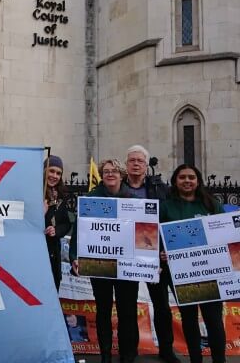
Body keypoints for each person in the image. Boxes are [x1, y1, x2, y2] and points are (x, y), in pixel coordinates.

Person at [70, 159, 138, 363]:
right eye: (106, 171)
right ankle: (106, 354)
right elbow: (79, 232)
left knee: (128, 310)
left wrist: (151, 262)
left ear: (122, 175)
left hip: (127, 265)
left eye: (114, 171)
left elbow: (145, 234)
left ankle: (127, 355)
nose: (110, 174)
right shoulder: (90, 199)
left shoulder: (133, 200)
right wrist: (75, 256)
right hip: (99, 263)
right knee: (103, 310)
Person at [161, 164, 226, 363]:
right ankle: (195, 360)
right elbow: (155, 237)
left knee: (214, 320)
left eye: (191, 177)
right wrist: (160, 253)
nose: (187, 181)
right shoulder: (166, 206)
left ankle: (219, 360)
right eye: (182, 177)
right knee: (189, 319)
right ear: (175, 181)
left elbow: (226, 233)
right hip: (181, 274)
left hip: (210, 273)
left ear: (198, 181)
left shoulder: (212, 204)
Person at [124, 145, 180, 363]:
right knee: (126, 306)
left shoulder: (160, 189)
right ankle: (129, 352)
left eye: (140, 161)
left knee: (161, 305)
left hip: (154, 255)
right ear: (126, 164)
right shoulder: (118, 187)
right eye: (132, 160)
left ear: (146, 166)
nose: (136, 164)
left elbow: (168, 220)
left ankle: (166, 349)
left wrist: (165, 250)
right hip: (126, 255)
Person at [43, 155, 71, 291]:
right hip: (37, 252)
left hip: (53, 252)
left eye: (58, 173)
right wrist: (40, 214)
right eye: (51, 171)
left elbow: (66, 223)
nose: (54, 176)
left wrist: (56, 231)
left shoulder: (60, 196)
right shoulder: (33, 193)